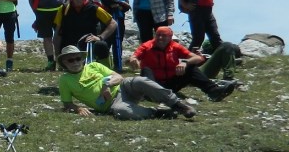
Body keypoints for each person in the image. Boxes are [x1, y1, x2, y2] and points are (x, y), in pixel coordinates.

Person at [58, 45, 195, 120]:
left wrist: (107, 85)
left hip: (123, 88)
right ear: (64, 63)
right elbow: (67, 103)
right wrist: (78, 108)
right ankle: (157, 113)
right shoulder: (65, 80)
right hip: (112, 104)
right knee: (121, 111)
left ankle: (178, 105)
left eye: (77, 58)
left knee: (141, 81)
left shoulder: (94, 65)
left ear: (82, 59)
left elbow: (118, 77)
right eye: (70, 60)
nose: (75, 62)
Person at [128, 26, 237, 102]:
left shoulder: (175, 46)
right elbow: (134, 56)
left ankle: (213, 91)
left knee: (191, 68)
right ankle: (152, 94)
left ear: (170, 38)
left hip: (171, 84)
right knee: (146, 70)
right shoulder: (147, 46)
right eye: (158, 35)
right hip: (153, 83)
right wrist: (134, 60)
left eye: (164, 36)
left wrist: (185, 62)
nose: (160, 38)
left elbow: (197, 58)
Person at [53, 0, 118, 64]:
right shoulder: (63, 9)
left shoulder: (94, 8)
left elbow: (113, 23)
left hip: (88, 45)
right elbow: (57, 34)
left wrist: (100, 37)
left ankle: (105, 69)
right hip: (69, 47)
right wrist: (57, 56)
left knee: (101, 45)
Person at [29, 0, 71, 70]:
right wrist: (35, 11)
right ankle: (51, 62)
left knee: (60, 36)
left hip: (58, 9)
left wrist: (67, 3)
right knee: (46, 37)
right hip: (42, 11)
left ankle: (62, 61)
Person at [97, 0, 131, 70]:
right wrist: (121, 3)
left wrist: (119, 5)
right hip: (108, 19)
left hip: (120, 18)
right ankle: (102, 65)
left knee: (118, 41)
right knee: (107, 41)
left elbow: (127, 6)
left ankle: (118, 66)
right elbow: (109, 0)